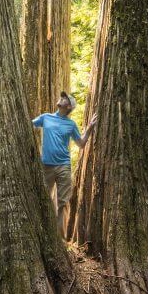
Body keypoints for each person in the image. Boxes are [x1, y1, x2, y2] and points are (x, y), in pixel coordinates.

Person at [32, 92, 96, 233]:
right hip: (46, 166)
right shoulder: (45, 117)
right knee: (44, 199)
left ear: (68, 106)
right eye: (61, 97)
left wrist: (90, 128)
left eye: (64, 98)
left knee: (62, 202)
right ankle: (44, 232)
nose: (60, 98)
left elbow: (80, 144)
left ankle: (60, 238)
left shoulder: (71, 124)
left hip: (63, 167)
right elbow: (29, 125)